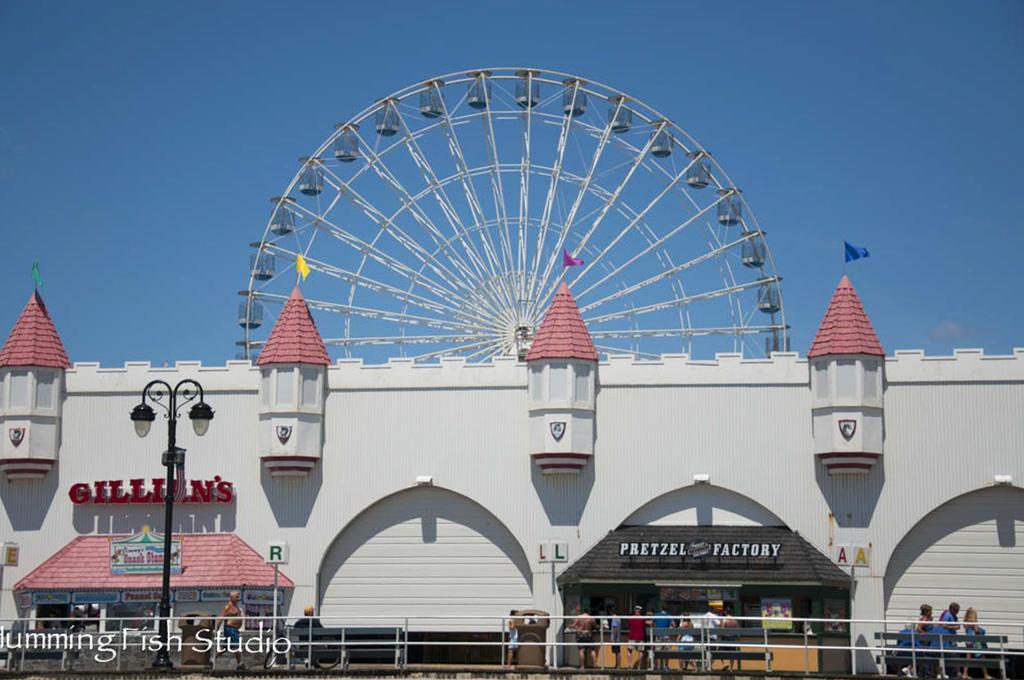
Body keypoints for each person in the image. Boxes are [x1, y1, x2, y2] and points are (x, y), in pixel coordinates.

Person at [215, 591, 246, 670]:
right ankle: (240, 664)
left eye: (238, 597)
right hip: (231, 629)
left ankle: (211, 659)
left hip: (234, 629)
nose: (238, 599)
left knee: (225, 647)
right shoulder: (228, 607)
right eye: (236, 597)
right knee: (236, 645)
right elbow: (221, 618)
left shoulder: (236, 606)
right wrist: (216, 629)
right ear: (232, 598)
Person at [961, 608, 991, 680]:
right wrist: (981, 630)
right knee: (982, 657)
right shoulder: (974, 622)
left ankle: (965, 674)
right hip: (975, 642)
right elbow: (977, 631)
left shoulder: (966, 622)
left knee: (968, 657)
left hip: (968, 641)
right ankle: (985, 675)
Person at [626, 604, 648, 669]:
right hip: (640, 637)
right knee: (641, 651)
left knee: (629, 651)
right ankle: (639, 666)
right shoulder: (642, 618)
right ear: (640, 611)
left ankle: (630, 665)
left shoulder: (631, 618)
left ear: (635, 610)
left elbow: (628, 626)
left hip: (632, 636)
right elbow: (644, 625)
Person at [652, 606, 673, 670]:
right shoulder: (669, 616)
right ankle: (665, 666)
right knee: (666, 652)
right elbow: (673, 625)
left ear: (661, 609)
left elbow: (652, 624)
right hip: (666, 635)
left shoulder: (656, 615)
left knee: (657, 651)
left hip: (658, 635)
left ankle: (657, 666)